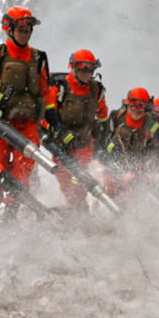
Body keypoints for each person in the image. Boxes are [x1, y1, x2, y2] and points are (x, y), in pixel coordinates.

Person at [0, 6, 55, 220]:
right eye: (21, 27)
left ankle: (11, 212)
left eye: (28, 28)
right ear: (9, 29)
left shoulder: (39, 58)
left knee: (23, 169)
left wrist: (51, 118)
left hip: (28, 123)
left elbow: (46, 91)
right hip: (1, 122)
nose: (25, 32)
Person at [45, 49, 109, 211]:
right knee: (64, 181)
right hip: (61, 144)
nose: (86, 72)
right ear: (73, 67)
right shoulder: (60, 87)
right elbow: (46, 115)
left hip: (84, 143)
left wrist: (102, 134)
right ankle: (75, 209)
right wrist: (60, 132)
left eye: (90, 68)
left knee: (78, 179)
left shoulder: (97, 90)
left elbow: (103, 114)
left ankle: (81, 210)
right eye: (82, 67)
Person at [102, 87, 159, 197]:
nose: (137, 111)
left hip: (139, 164)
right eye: (135, 106)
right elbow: (103, 139)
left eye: (141, 107)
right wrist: (109, 153)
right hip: (116, 161)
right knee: (111, 188)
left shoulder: (150, 122)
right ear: (129, 104)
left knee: (134, 190)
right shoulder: (117, 116)